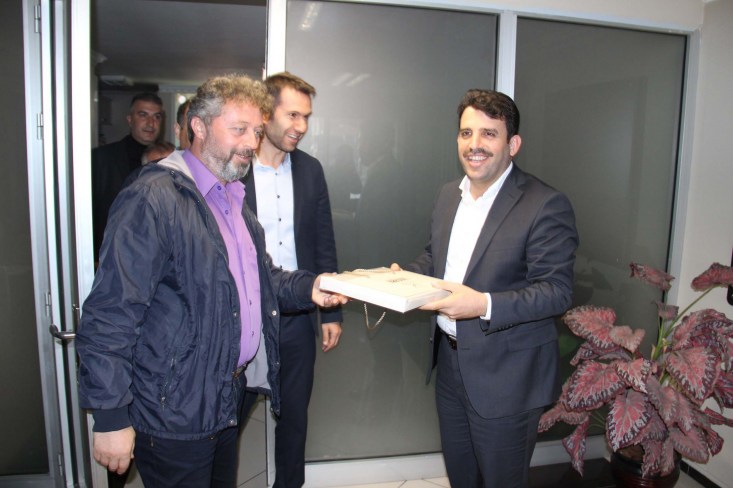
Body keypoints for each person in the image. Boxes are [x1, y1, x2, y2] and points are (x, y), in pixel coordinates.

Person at [75, 74, 346, 488]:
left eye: (256, 131)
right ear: (198, 127)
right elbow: (111, 313)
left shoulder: (233, 198)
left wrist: (312, 287)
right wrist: (110, 416)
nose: (251, 143)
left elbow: (262, 278)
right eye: (239, 129)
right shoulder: (153, 197)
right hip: (174, 410)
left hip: (224, 397)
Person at [394, 89, 579, 487]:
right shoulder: (449, 195)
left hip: (507, 376)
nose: (474, 144)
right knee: (462, 477)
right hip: (450, 366)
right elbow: (435, 258)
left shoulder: (545, 203)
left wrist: (483, 304)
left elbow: (556, 291)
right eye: (466, 133)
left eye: (488, 134)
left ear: (513, 144)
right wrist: (400, 278)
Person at [240, 72, 341, 488]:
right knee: (229, 418)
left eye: (307, 117)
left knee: (295, 420)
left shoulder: (310, 170)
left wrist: (330, 313)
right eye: (293, 115)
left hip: (298, 314)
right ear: (266, 113)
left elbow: (323, 243)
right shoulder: (235, 168)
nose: (301, 126)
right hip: (244, 317)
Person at [91, 92, 164, 257]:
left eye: (157, 117)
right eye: (143, 115)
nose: (151, 123)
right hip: (111, 253)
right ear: (130, 119)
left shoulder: (171, 159)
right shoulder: (102, 158)